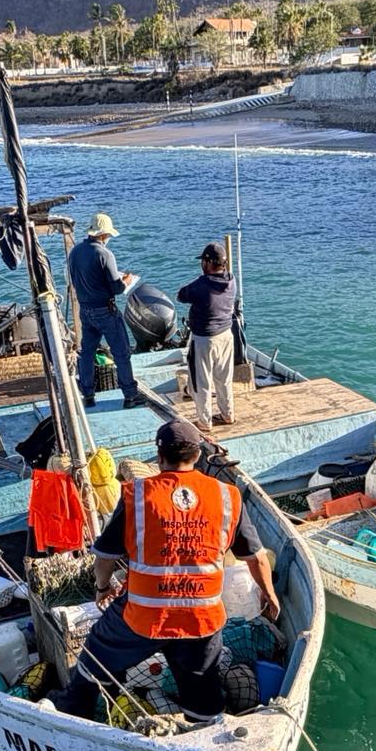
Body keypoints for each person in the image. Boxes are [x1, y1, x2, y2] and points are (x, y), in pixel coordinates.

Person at [51, 420, 280, 722]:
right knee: (203, 688)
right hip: (201, 618)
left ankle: (74, 708)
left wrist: (103, 586)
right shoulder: (228, 496)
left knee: (98, 653)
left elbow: (105, 557)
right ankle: (203, 726)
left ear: (159, 458)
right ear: (198, 455)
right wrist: (270, 594)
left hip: (144, 616)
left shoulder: (137, 494)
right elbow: (256, 558)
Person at [66, 212, 144, 409]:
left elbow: (74, 281)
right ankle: (130, 395)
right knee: (121, 353)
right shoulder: (105, 254)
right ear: (103, 235)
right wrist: (126, 280)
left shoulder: (75, 252)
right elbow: (117, 289)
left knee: (87, 353)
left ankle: (88, 395)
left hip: (85, 310)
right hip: (105, 310)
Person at [178, 242, 239, 433]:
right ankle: (227, 414)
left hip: (204, 339)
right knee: (224, 379)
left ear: (207, 263)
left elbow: (181, 295)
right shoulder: (231, 280)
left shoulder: (202, 285)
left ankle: (204, 422)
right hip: (226, 335)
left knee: (201, 382)